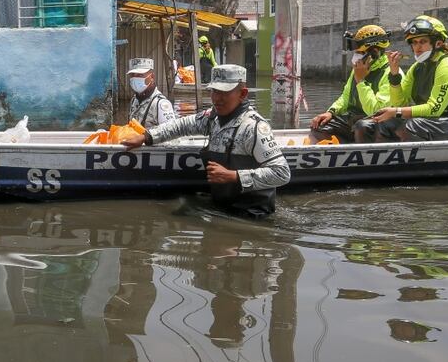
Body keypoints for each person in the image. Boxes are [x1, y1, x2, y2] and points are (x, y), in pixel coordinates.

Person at [122, 64, 290, 218]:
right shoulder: (213, 118)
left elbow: (281, 173)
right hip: (222, 208)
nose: (217, 98)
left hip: (251, 213)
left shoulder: (253, 127)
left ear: (242, 94)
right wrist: (146, 136)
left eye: (224, 92)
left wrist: (234, 176)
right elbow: (181, 125)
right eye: (214, 91)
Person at [356, 15, 448, 142]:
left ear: (438, 43)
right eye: (414, 43)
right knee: (368, 125)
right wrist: (394, 74)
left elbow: (434, 109)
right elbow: (399, 103)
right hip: (431, 122)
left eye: (423, 42)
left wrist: (396, 112)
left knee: (412, 126)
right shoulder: (416, 68)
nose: (417, 48)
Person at [309, 24, 392, 142]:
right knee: (319, 126)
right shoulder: (358, 70)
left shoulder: (389, 74)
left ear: (374, 52)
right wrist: (331, 112)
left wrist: (361, 81)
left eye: (360, 53)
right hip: (354, 119)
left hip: (375, 123)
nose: (355, 57)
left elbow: (375, 111)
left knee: (362, 127)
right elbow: (346, 97)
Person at [126, 57, 177, 127]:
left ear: (152, 77)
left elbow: (171, 132)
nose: (135, 78)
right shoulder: (134, 100)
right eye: (132, 75)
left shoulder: (160, 104)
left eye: (140, 75)